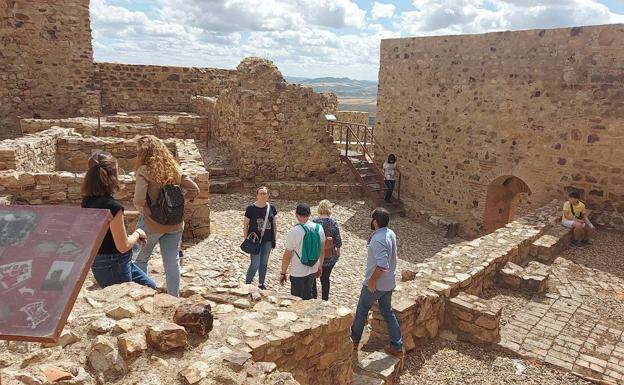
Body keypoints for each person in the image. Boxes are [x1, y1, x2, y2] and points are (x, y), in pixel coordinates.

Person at [132, 135, 199, 297]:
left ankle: (145, 295)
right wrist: (178, 203)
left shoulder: (144, 171)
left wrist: (145, 211)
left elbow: (139, 200)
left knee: (140, 259)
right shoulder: (174, 168)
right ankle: (173, 297)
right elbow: (194, 189)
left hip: (151, 224)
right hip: (175, 224)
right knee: (172, 262)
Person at [81, 151, 156, 290]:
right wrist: (138, 233)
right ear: (112, 176)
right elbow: (123, 246)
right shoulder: (113, 207)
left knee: (151, 286)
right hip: (114, 264)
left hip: (102, 261)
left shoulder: (87, 201)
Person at [351, 207, 403, 357]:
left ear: (375, 221)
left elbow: (382, 265)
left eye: (371, 218)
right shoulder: (390, 233)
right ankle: (397, 345)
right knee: (388, 312)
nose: (370, 220)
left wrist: (372, 281)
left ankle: (354, 342)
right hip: (388, 283)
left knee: (361, 310)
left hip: (376, 284)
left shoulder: (378, 239)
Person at [279, 203, 325, 300]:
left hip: (297, 271)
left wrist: (283, 273)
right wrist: (320, 266)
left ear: (297, 215)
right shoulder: (319, 228)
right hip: (312, 268)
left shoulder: (294, 231)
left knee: (296, 300)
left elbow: (287, 255)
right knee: (308, 296)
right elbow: (321, 250)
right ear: (309, 214)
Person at [243, 186, 278, 290]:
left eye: (264, 193)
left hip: (267, 240)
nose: (262, 195)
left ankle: (261, 283)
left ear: (268, 195)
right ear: (257, 195)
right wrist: (246, 240)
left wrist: (274, 239)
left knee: (264, 263)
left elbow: (274, 224)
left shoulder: (271, 208)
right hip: (254, 241)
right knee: (255, 264)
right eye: (260, 193)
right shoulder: (251, 208)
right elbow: (245, 225)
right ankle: (247, 284)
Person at [312, 199, 342, 301]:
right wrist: (338, 249)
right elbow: (337, 238)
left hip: (316, 255)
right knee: (325, 278)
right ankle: (325, 299)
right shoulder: (333, 222)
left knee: (313, 277)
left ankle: (314, 297)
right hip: (329, 256)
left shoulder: (314, 222)